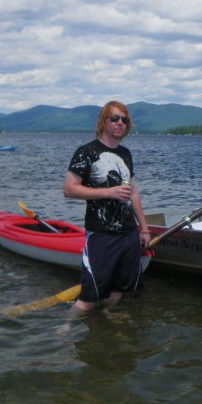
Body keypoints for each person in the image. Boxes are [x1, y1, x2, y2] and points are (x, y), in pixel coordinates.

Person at [63, 101, 150, 313]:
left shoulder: (125, 154)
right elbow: (69, 189)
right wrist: (108, 192)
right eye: (115, 118)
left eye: (124, 119)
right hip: (101, 234)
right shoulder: (86, 152)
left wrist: (144, 228)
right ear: (103, 121)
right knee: (90, 295)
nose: (120, 123)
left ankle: (108, 318)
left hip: (128, 233)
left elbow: (133, 192)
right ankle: (66, 327)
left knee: (119, 289)